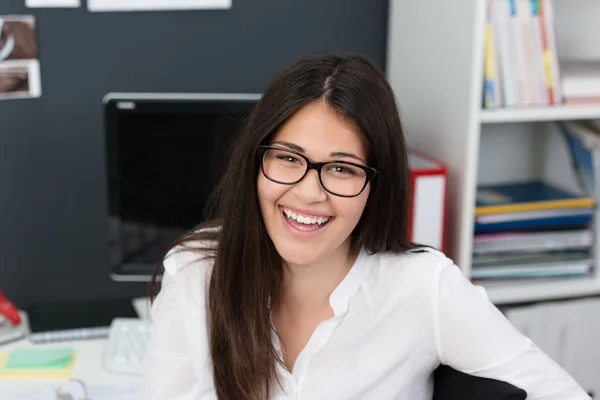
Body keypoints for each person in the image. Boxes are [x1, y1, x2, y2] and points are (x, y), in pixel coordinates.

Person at [140, 52, 590, 399]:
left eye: (341, 169)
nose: (309, 193)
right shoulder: (196, 273)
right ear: (256, 164)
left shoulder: (421, 287)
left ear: (375, 185)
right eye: (289, 158)